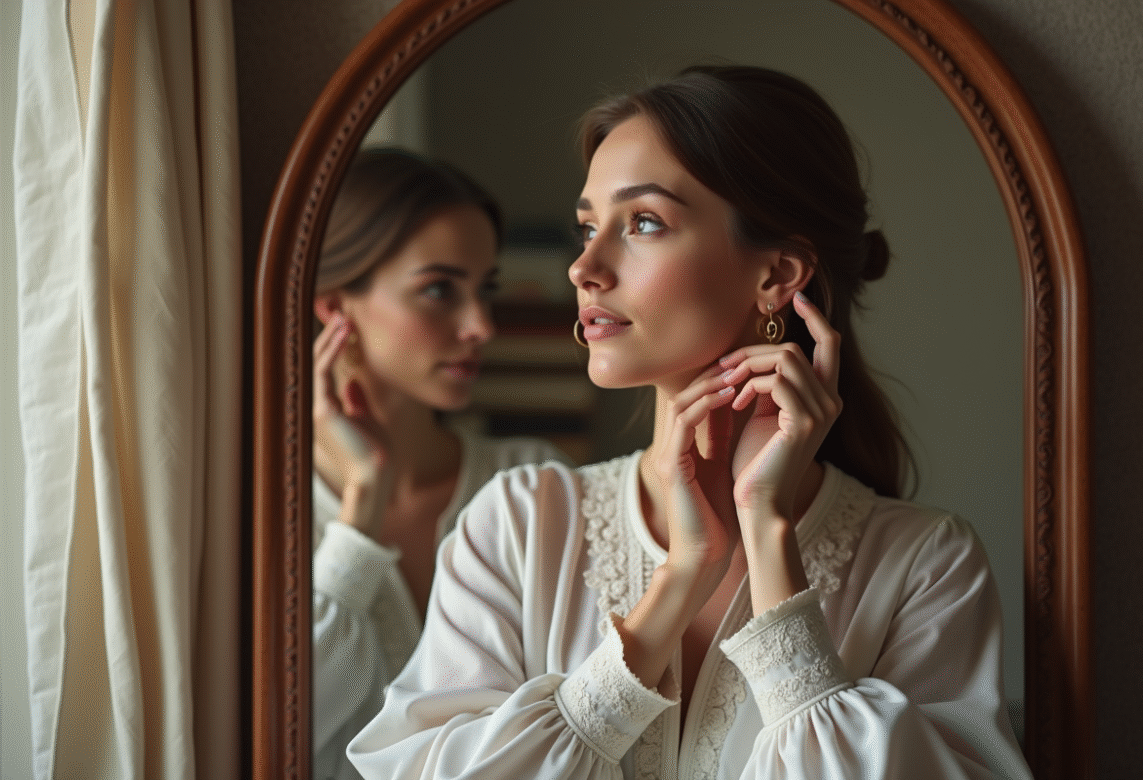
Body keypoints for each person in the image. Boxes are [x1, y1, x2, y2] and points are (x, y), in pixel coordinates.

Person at [346, 68, 1034, 779]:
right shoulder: (519, 526)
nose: (584, 266)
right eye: (588, 227)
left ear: (777, 276)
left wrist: (766, 534)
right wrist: (681, 577)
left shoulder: (926, 565)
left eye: (643, 222)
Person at [311, 148, 571, 780]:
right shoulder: (257, 505)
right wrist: (360, 511)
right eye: (438, 290)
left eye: (486, 289)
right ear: (335, 308)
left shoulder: (530, 484)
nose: (481, 324)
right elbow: (284, 726)